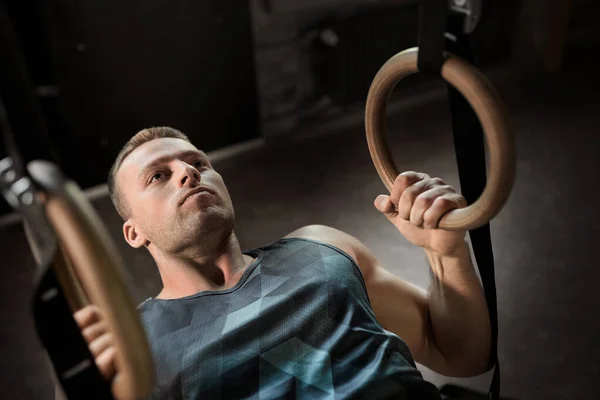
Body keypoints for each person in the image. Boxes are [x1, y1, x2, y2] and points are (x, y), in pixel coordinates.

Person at [72, 126, 491, 399]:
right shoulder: (133, 343)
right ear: (134, 232)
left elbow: (460, 354)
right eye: (157, 176)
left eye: (198, 162)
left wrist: (446, 252)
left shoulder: (320, 247)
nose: (187, 171)